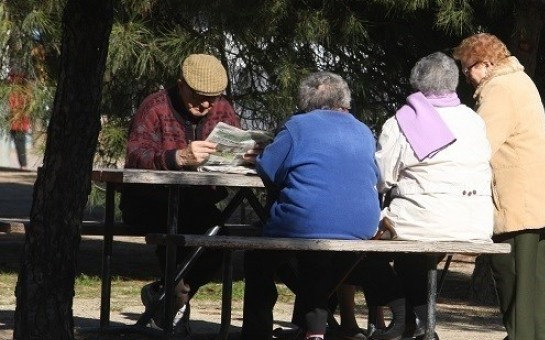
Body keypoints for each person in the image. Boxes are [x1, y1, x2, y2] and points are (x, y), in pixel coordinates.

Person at [240, 71, 406, 340]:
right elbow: (374, 177)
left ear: (305, 103)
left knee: (259, 256)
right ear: (345, 101)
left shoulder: (297, 126)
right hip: (360, 227)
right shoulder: (363, 130)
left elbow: (271, 173)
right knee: (315, 254)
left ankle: (256, 333)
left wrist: (259, 157)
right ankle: (313, 329)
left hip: (303, 224)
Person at [453, 33, 545, 340]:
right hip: (535, 200)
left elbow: (480, 146)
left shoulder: (499, 90)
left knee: (511, 276)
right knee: (534, 284)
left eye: (467, 68)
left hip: (517, 202)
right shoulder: (519, 80)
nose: (466, 77)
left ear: (486, 63)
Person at [375, 51, 494, 340]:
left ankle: (412, 321)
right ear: (454, 83)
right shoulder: (473, 120)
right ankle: (419, 326)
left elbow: (381, 178)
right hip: (474, 221)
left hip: (421, 220)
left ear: (416, 83)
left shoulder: (401, 122)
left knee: (375, 245)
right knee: (413, 255)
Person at [119, 53, 241, 334]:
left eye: (213, 97)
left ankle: (166, 295)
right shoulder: (154, 106)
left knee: (220, 241)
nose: (206, 104)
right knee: (177, 237)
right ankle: (172, 304)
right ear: (181, 84)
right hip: (150, 202)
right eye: (198, 96)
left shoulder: (222, 108)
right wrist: (177, 158)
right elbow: (136, 155)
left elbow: (235, 144)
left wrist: (246, 156)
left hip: (198, 203)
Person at [7, 71, 32, 170]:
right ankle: (23, 164)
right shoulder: (22, 91)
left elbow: (18, 106)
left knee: (20, 142)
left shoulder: (20, 92)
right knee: (19, 142)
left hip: (19, 122)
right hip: (16, 121)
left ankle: (23, 164)